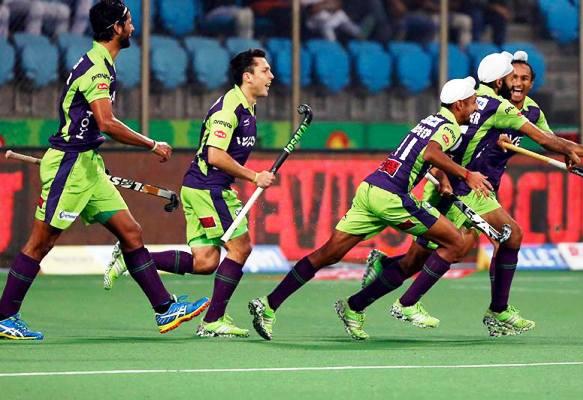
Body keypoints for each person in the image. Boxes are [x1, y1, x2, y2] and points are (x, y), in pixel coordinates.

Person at [360, 51, 583, 337]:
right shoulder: (488, 104)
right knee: (426, 257)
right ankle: (397, 298)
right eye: (512, 77)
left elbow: (549, 141)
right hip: (460, 181)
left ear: (532, 83)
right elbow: (544, 141)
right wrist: (570, 150)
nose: (517, 82)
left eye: (523, 78)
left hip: (481, 187)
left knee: (503, 237)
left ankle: (494, 309)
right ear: (501, 81)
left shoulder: (527, 110)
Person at [0, 0, 209, 341]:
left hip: (88, 166)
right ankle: (5, 315)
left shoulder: (101, 63)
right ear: (116, 28)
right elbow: (107, 123)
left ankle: (164, 308)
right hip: (69, 167)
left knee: (131, 232)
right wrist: (151, 144)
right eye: (128, 20)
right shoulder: (97, 68)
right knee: (40, 243)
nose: (132, 24)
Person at [248, 76, 493, 341]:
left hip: (370, 190)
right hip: (392, 197)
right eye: (472, 103)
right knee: (457, 243)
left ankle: (271, 304)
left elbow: (427, 155)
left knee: (327, 254)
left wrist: (444, 179)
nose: (476, 108)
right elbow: (431, 153)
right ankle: (407, 302)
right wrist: (467, 175)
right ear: (458, 105)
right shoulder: (450, 128)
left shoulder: (430, 121)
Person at [104, 49, 276, 338]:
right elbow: (215, 155)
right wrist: (254, 176)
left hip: (204, 188)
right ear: (248, 77)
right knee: (240, 248)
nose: (271, 76)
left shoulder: (247, 107)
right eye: (265, 71)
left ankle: (133, 256)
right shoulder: (228, 109)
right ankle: (213, 321)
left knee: (206, 262)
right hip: (209, 189)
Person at [5, 0, 70, 36]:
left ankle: (59, 48)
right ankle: (33, 44)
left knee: (64, 10)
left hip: (35, 3)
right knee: (36, 7)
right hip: (11, 3)